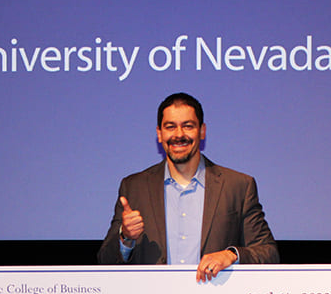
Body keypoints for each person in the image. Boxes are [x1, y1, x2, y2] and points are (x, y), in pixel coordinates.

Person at [98, 92, 279, 282]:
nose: (179, 135)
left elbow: (268, 253)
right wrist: (125, 238)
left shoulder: (238, 186)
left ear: (202, 131)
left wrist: (231, 255)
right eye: (170, 127)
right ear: (159, 134)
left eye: (188, 126)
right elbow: (105, 261)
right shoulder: (134, 187)